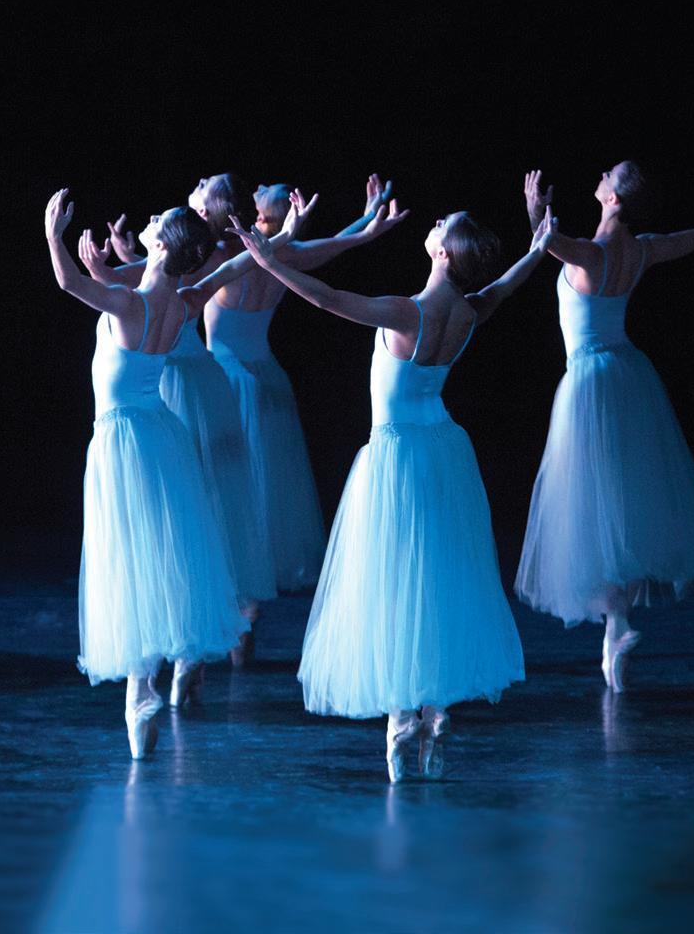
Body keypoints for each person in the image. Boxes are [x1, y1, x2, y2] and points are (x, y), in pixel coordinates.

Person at [231, 198, 554, 782]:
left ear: (443, 252)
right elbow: (505, 285)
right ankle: (435, 708)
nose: (435, 222)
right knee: (436, 577)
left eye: (441, 224)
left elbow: (328, 299)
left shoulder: (408, 312)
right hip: (443, 450)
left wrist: (268, 261)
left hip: (397, 455)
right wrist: (536, 247)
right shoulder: (468, 311)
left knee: (394, 577)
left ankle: (403, 717)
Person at [515, 165, 694, 692]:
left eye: (608, 175)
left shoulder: (591, 253)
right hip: (628, 373)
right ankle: (615, 628)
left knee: (595, 505)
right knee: (624, 503)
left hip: (589, 383)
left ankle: (615, 624)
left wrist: (534, 214)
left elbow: (546, 243)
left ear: (613, 198)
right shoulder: (641, 251)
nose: (599, 175)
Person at [46, 190, 247, 760]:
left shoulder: (129, 304)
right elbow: (214, 273)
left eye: (158, 220)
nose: (151, 218)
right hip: (159, 431)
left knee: (129, 555)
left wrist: (52, 234)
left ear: (160, 245)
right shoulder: (178, 306)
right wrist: (271, 244)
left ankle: (139, 692)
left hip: (122, 439)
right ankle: (145, 684)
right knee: (155, 554)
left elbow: (67, 284)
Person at [190, 174, 391, 592]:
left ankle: (236, 576)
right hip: (267, 379)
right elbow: (335, 243)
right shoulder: (286, 254)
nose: (260, 186)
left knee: (231, 486)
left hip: (225, 380)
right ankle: (259, 579)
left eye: (266, 193)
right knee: (266, 489)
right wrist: (366, 218)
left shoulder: (224, 254)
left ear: (263, 216)